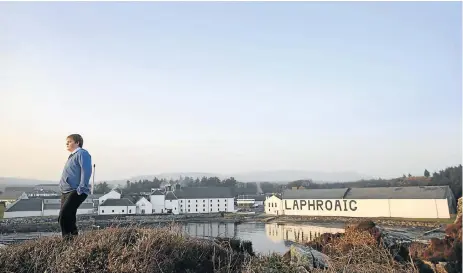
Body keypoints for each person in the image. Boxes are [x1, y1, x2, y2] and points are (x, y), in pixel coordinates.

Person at [58, 134, 92, 239]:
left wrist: (81, 188)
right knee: (68, 217)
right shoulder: (71, 156)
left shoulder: (82, 153)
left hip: (75, 190)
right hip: (66, 191)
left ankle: (68, 241)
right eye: (66, 142)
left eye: (70, 141)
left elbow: (86, 170)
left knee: (64, 216)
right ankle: (73, 241)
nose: (67, 143)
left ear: (77, 142)